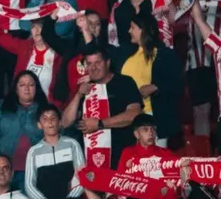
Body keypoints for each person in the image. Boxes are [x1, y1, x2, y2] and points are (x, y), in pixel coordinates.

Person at [60, 45, 143, 169]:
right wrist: (78, 95)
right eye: (89, 63)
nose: (93, 68)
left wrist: (99, 124)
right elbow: (65, 122)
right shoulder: (84, 87)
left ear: (108, 63)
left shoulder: (125, 82)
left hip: (122, 161)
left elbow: (134, 114)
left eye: (98, 62)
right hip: (91, 163)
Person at [119, 13, 183, 145]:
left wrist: (156, 87)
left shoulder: (164, 55)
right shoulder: (127, 57)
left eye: (133, 27)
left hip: (158, 121)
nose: (129, 31)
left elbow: (178, 84)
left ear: (143, 29)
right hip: (134, 122)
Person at [0, 71, 46, 187]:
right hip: (4, 171)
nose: (27, 89)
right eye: (22, 85)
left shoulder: (45, 109)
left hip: (36, 172)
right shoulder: (1, 106)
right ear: (15, 89)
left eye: (31, 85)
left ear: (37, 88)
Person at [24, 104, 85, 199]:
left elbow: (83, 177)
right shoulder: (33, 152)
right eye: (45, 119)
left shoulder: (72, 144)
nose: (50, 122)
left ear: (60, 122)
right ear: (39, 125)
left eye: (53, 118)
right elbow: (29, 185)